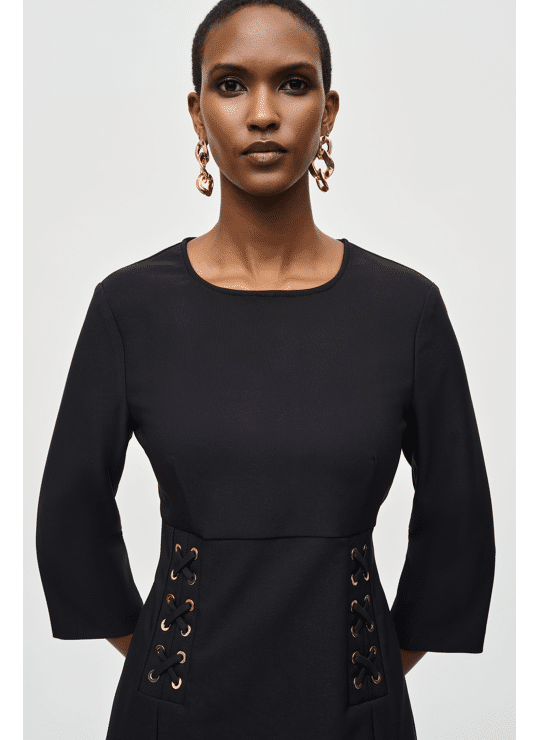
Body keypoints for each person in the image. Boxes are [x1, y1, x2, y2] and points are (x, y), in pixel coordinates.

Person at [35, 1, 496, 738]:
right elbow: (70, 514)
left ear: (328, 110)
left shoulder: (406, 309)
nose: (261, 114)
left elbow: (459, 524)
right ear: (197, 114)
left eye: (292, 83)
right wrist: (164, 660)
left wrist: (365, 669)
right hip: (172, 716)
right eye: (230, 85)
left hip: (355, 716)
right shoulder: (129, 307)